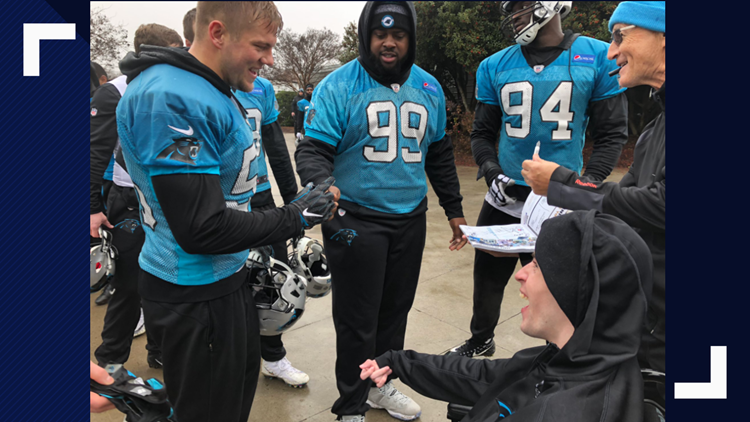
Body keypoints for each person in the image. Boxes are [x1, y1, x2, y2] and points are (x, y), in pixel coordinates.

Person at [116, 2, 337, 421]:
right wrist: (295, 216)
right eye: (261, 46)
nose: (270, 59)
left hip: (220, 278)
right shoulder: (171, 95)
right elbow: (200, 228)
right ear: (218, 33)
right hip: (194, 289)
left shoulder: (206, 85)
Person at [295, 2, 467, 421]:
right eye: (380, 34)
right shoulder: (338, 85)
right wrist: (322, 185)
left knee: (394, 312)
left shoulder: (428, 88)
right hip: (355, 217)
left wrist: (454, 209)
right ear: (366, 36)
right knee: (357, 320)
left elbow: (440, 154)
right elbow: (313, 148)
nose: (389, 43)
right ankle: (350, 404)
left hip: (409, 216)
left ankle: (379, 386)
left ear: (411, 39)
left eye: (399, 35)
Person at [448, 0, 628, 358]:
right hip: (504, 198)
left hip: (560, 204)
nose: (514, 15)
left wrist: (582, 185)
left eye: (521, 6)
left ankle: (558, 357)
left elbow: (612, 134)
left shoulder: (595, 56)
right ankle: (481, 340)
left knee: (559, 292)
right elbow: (482, 134)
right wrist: (491, 171)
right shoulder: (494, 65)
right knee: (486, 281)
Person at [361, 210, 653, 422]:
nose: (521, 274)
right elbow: (492, 377)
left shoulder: (557, 412)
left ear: (575, 291)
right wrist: (401, 363)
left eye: (537, 266)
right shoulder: (582, 359)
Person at [521, 0, 666, 406]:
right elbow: (624, 204)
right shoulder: (658, 127)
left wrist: (561, 185)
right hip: (651, 328)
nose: (612, 50)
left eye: (620, 36)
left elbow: (664, 205)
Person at [90, 23, 183, 370]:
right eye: (176, 49)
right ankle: (109, 362)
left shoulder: (173, 89)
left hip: (166, 199)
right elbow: (95, 154)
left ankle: (159, 351)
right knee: (129, 286)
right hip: (127, 200)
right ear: (153, 52)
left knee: (164, 280)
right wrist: (93, 209)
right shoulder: (113, 91)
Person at [234, 78, 309, 387]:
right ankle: (231, 357)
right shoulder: (193, 82)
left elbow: (276, 147)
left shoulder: (260, 86)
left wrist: (294, 205)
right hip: (221, 204)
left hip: (261, 196)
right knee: (228, 286)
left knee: (275, 284)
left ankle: (274, 358)